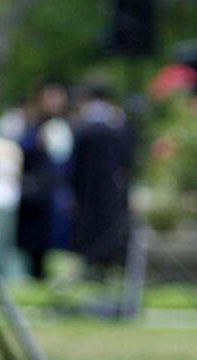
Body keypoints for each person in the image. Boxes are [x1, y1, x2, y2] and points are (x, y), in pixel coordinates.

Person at [70, 84, 133, 275]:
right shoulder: (117, 124)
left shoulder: (84, 126)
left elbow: (75, 161)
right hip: (111, 185)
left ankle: (93, 263)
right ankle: (107, 261)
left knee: (91, 225)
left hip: (88, 186)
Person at [15, 82, 71, 280]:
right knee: (34, 239)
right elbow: (21, 148)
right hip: (36, 191)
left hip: (55, 190)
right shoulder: (33, 124)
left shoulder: (67, 123)